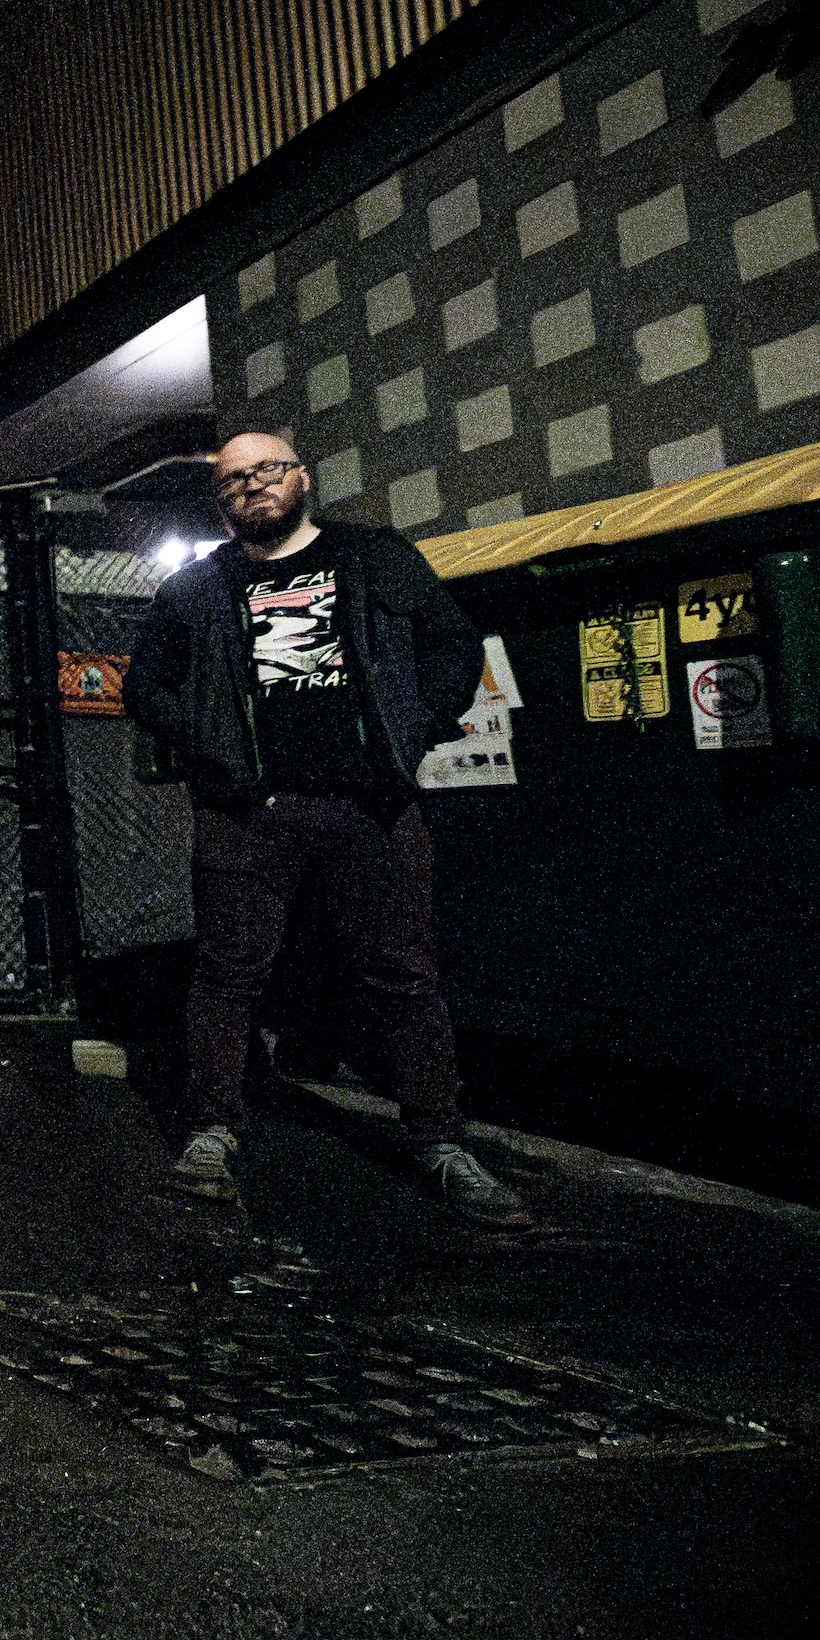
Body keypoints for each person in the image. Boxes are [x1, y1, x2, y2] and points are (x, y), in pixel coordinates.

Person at [122, 419, 527, 1226]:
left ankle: (440, 1142)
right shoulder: (196, 588)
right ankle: (211, 1131)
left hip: (370, 803)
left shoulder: (373, 556)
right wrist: (213, 745)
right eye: (233, 480)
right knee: (228, 973)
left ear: (302, 476)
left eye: (267, 470)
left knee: (404, 975)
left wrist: (414, 729)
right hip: (246, 811)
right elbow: (144, 687)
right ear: (221, 501)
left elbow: (453, 644)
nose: (252, 486)